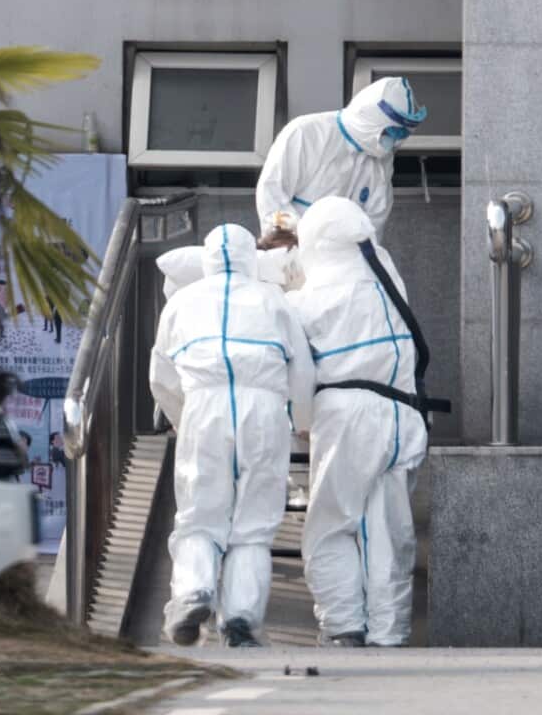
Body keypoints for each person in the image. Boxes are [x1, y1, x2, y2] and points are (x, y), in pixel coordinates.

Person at [149, 223, 315, 647]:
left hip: (203, 408)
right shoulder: (273, 300)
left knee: (198, 515)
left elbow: (161, 377)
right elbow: (302, 372)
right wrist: (302, 420)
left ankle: (193, 592)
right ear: (250, 258)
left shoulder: (181, 302)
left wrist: (182, 417)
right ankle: (241, 618)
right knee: (254, 525)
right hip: (264, 410)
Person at [287, 196, 435, 648]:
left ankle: (343, 626)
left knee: (330, 526)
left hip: (346, 416)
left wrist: (302, 420)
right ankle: (389, 633)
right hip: (403, 415)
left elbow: (300, 374)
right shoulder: (389, 282)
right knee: (388, 533)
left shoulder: (305, 302)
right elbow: (366, 246)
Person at [256, 77, 426, 239]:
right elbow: (272, 197)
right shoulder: (306, 133)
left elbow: (373, 223)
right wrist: (297, 247)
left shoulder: (381, 160)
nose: (394, 143)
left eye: (400, 136)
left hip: (342, 256)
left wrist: (359, 255)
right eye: (390, 134)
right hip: (292, 249)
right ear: (371, 120)